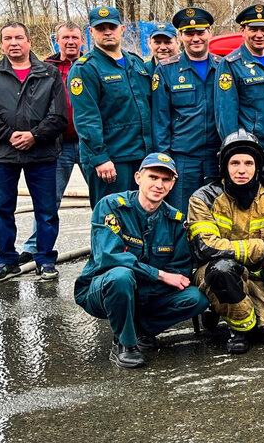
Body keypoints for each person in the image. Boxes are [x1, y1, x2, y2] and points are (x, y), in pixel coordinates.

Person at [73, 153, 209, 369]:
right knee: (121, 276)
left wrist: (159, 281)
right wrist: (159, 274)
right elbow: (110, 257)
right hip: (102, 288)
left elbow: (180, 270)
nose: (159, 184)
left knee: (197, 298)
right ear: (138, 178)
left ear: (173, 184)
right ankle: (124, 345)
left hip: (148, 294)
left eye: (166, 180)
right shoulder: (111, 207)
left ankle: (138, 330)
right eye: (153, 177)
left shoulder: (175, 220)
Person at [186, 130, 264, 354]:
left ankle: (223, 307)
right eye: (234, 163)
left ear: (258, 167)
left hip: (255, 277)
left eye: (248, 163)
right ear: (224, 167)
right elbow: (206, 247)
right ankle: (240, 329)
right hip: (212, 271)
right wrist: (258, 248)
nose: (241, 170)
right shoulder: (203, 199)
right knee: (223, 270)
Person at [0, 22, 67, 280]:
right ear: (1, 44)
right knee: (2, 208)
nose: (13, 43)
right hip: (3, 155)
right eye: (8, 38)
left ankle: (45, 260)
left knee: (46, 209)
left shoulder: (49, 74)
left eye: (19, 37)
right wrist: (8, 135)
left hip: (42, 154)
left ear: (28, 42)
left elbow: (58, 115)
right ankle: (6, 260)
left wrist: (34, 136)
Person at [68, 6, 153, 205]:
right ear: (90, 32)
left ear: (122, 29)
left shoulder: (136, 63)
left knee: (140, 220)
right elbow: (86, 118)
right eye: (100, 28)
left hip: (142, 156)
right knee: (111, 219)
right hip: (112, 161)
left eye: (112, 27)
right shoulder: (85, 68)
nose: (107, 31)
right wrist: (100, 157)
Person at [17, 21, 83, 266]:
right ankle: (35, 248)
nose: (71, 42)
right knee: (47, 200)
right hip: (57, 145)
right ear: (57, 40)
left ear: (82, 40)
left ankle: (109, 247)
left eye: (75, 37)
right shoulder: (45, 68)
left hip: (91, 144)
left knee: (103, 200)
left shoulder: (93, 65)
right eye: (65, 37)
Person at [151, 7, 221, 218]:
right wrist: (166, 162)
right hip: (183, 158)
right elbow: (160, 120)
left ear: (210, 33)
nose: (196, 38)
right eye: (189, 34)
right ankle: (182, 253)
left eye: (201, 32)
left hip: (216, 157)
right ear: (181, 37)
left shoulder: (223, 67)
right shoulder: (166, 70)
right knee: (182, 215)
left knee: (216, 214)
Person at [215, 4, 264, 195]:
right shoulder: (231, 64)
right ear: (242, 31)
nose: (259, 34)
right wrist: (235, 152)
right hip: (251, 148)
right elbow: (226, 114)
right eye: (253, 29)